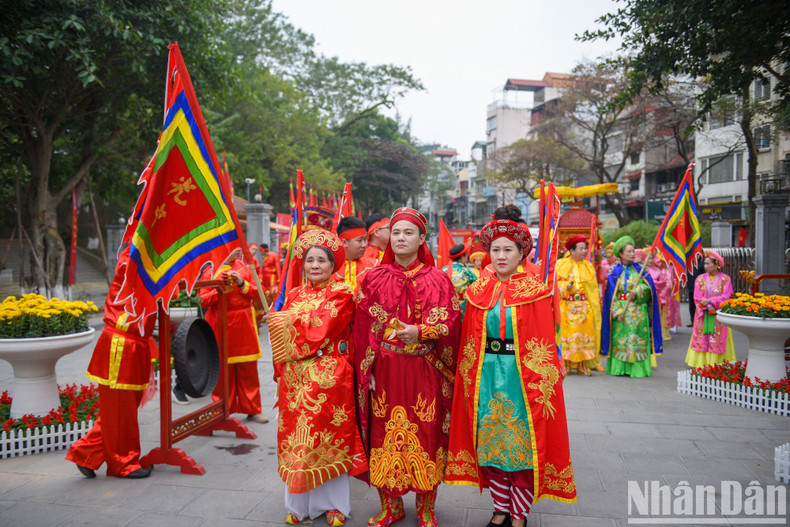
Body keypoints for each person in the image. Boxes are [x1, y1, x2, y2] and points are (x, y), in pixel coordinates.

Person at [446, 217, 577, 527]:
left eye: (508, 250)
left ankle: (519, 514)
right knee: (489, 441)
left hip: (521, 378)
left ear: (521, 255)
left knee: (521, 446)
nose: (501, 256)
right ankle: (500, 509)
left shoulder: (536, 291)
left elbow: (542, 341)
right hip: (485, 376)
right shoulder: (477, 290)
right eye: (495, 250)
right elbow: (467, 337)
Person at [354, 207, 462, 527]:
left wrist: (422, 331)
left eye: (408, 233)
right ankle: (392, 507)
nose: (401, 238)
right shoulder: (373, 278)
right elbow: (360, 326)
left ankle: (426, 508)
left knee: (426, 434)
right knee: (383, 434)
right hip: (384, 370)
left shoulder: (438, 279)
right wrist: (366, 370)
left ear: (421, 238)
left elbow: (453, 322)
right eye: (396, 232)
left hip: (424, 369)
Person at [269, 229, 367, 527]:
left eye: (321, 260)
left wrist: (280, 321)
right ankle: (298, 506)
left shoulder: (342, 293)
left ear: (332, 263)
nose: (314, 265)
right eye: (309, 260)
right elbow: (289, 327)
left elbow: (321, 328)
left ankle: (335, 506)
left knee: (329, 440)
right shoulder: (295, 293)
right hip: (296, 379)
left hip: (330, 376)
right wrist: (278, 319)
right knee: (297, 441)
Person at [66, 248, 157, 478]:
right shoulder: (133, 260)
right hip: (122, 344)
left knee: (121, 409)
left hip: (135, 342)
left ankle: (86, 453)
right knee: (120, 408)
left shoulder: (144, 258)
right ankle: (122, 464)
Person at [199, 250, 269, 424]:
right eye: (234, 247)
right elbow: (203, 300)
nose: (238, 250)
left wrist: (242, 283)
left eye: (239, 247)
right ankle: (221, 409)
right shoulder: (210, 270)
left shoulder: (245, 268)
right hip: (219, 323)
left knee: (248, 370)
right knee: (222, 370)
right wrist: (220, 290)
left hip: (244, 323)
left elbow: (258, 294)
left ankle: (253, 409)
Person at [601, 236, 663, 378]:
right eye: (628, 251)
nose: (632, 254)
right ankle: (619, 368)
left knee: (637, 339)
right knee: (620, 340)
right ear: (621, 254)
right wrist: (617, 312)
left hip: (638, 312)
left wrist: (638, 291)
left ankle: (638, 369)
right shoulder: (613, 273)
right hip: (621, 313)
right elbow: (611, 296)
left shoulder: (642, 271)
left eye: (632, 251)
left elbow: (650, 290)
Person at [556, 235, 602, 376]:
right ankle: (567, 364)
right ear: (572, 250)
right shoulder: (561, 264)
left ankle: (582, 364)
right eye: (581, 248)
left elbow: (593, 289)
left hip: (584, 307)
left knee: (584, 335)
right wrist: (565, 286)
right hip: (567, 307)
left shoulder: (588, 266)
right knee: (567, 335)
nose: (584, 251)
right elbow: (554, 285)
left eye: (585, 248)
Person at [685, 250, 737, 367]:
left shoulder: (726, 279)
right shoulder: (700, 278)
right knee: (702, 337)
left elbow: (727, 296)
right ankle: (701, 363)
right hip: (703, 313)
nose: (705, 266)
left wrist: (711, 301)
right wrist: (707, 305)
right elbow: (697, 296)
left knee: (717, 337)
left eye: (708, 264)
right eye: (705, 264)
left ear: (717, 264)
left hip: (718, 314)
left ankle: (717, 363)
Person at [334, 215, 378, 293]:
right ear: (344, 242)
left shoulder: (375, 266)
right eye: (359, 240)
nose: (364, 245)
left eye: (365, 239)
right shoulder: (331, 269)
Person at [441, 243, 477, 310]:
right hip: (464, 307)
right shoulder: (467, 271)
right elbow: (478, 288)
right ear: (462, 257)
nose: (467, 258)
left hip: (446, 306)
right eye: (466, 256)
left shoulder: (443, 270)